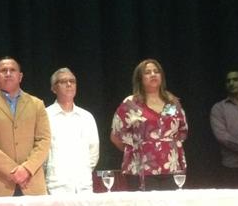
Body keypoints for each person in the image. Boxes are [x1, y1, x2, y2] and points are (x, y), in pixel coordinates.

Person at [0, 56, 52, 196]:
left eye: (12, 70)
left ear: (20, 76)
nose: (8, 73)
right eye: (4, 70)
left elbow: (44, 140)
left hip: (32, 183)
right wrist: (13, 171)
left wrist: (27, 169)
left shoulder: (37, 104)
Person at [109, 59, 188, 190]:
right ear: (140, 78)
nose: (153, 74)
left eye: (156, 71)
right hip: (141, 170)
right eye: (147, 72)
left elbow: (180, 131)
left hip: (171, 168)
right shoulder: (131, 104)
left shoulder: (170, 103)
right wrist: (137, 150)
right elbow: (115, 136)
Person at [44, 67, 100, 195]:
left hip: (83, 186)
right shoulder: (45, 116)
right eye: (63, 81)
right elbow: (41, 153)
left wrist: (83, 171)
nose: (69, 84)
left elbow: (93, 152)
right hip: (55, 186)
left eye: (72, 81)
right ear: (53, 88)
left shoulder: (87, 117)